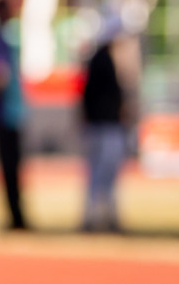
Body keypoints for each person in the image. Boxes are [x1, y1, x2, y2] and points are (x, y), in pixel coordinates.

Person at [80, 15, 130, 232]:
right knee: (103, 173)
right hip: (104, 126)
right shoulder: (103, 61)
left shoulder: (101, 60)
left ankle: (99, 216)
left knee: (100, 173)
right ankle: (99, 216)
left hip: (101, 125)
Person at [0, 0, 29, 230]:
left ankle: (18, 215)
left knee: (14, 168)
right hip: (5, 114)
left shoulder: (7, 39)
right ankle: (16, 216)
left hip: (12, 112)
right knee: (10, 167)